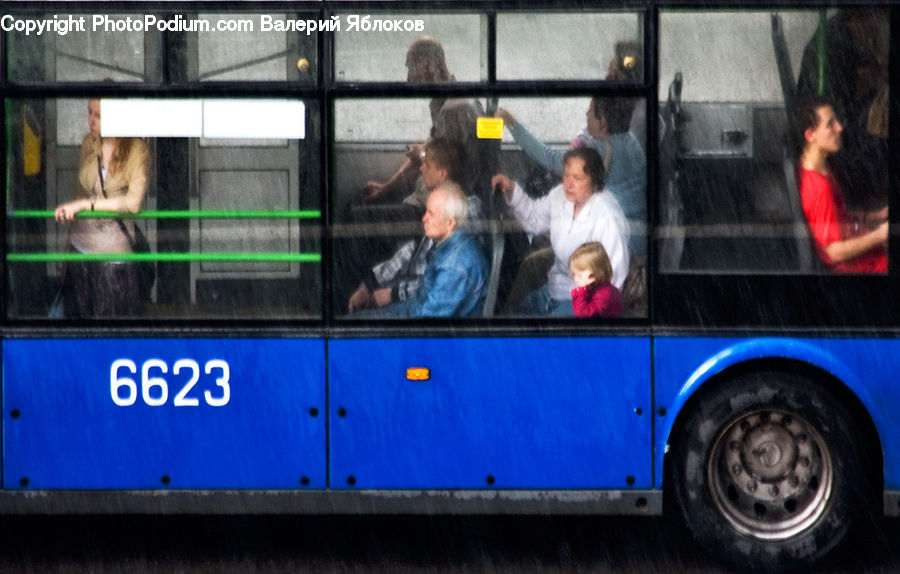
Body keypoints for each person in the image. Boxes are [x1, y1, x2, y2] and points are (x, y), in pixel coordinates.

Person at [492, 146, 630, 317]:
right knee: (509, 324)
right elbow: (533, 220)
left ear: (594, 180)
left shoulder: (607, 215)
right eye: (566, 175)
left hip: (582, 303)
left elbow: (614, 277)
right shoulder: (559, 195)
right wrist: (512, 189)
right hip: (553, 290)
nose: (568, 184)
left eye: (577, 178)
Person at [339, 137, 466, 312]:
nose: (421, 168)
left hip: (417, 302)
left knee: (357, 220)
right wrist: (369, 284)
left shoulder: (453, 216)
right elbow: (413, 250)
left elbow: (434, 281)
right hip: (409, 287)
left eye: (426, 165)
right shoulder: (436, 213)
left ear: (442, 174)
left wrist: (394, 293)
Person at [54, 98, 151, 317]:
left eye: (98, 116)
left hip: (113, 254)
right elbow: (79, 194)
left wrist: (87, 204)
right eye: (89, 113)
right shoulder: (90, 143)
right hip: (81, 249)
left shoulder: (137, 150)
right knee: (80, 324)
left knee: (111, 324)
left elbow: (133, 203)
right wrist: (67, 250)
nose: (90, 121)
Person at [796, 8, 889, 212]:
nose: (877, 28)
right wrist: (875, 76)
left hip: (831, 108)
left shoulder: (844, 31)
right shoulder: (835, 41)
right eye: (875, 21)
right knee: (880, 140)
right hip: (823, 110)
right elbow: (843, 94)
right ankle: (870, 201)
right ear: (858, 19)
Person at [354, 182, 488, 318]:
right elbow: (421, 297)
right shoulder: (446, 244)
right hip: (414, 307)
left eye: (431, 213)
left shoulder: (454, 267)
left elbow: (426, 324)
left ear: (450, 222)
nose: (424, 218)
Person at [796, 96, 887, 273]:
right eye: (830, 124)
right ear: (810, 135)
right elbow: (833, 253)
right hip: (867, 266)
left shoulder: (815, 168)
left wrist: (874, 216)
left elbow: (836, 216)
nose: (839, 127)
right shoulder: (819, 189)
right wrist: (881, 235)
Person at [569, 242, 623, 318]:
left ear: (593, 275)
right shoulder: (594, 286)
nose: (575, 279)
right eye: (574, 274)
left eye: (579, 276)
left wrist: (579, 293)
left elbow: (582, 315)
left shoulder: (604, 295)